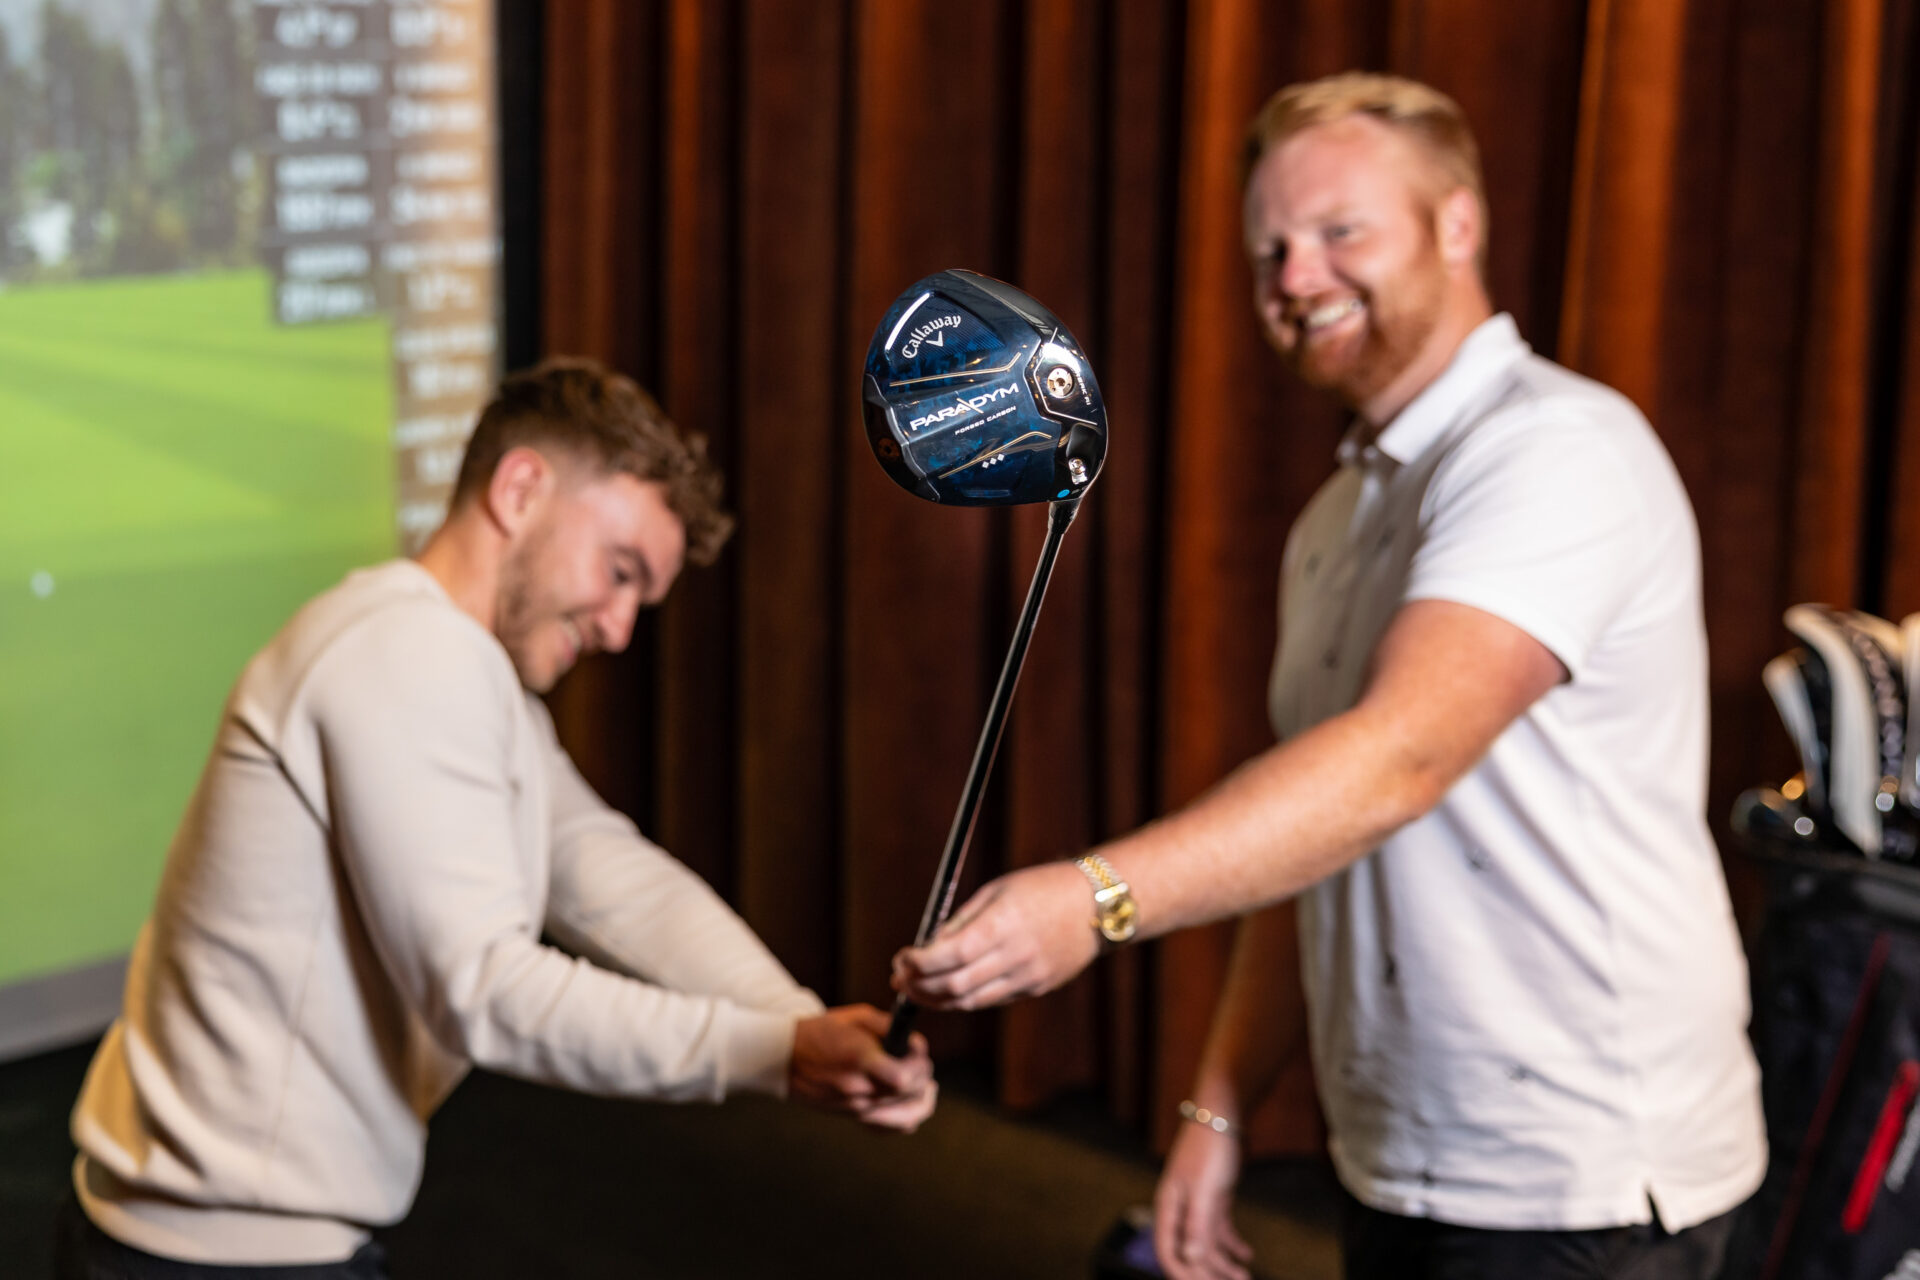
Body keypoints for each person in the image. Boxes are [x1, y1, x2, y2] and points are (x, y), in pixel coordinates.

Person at [894, 72, 1764, 1280]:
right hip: (1399, 1157)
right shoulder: (1334, 516)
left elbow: (1395, 760)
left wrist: (1096, 898)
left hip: (1585, 1177)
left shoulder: (1553, 446)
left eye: (1340, 230)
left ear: (1456, 224)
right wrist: (1216, 1108)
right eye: (1271, 248)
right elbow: (1319, 828)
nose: (1296, 277)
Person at [58, 358, 936, 1278]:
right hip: (213, 1258)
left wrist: (799, 1020)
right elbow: (484, 990)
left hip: (218, 1238)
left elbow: (606, 872)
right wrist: (774, 1054)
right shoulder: (409, 652)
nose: (619, 628)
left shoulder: (459, 669)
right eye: (619, 571)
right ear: (520, 490)